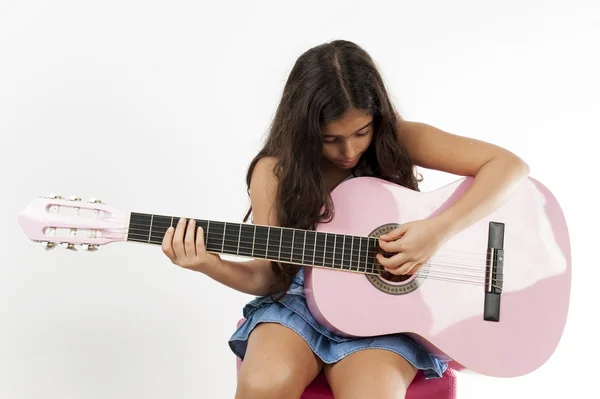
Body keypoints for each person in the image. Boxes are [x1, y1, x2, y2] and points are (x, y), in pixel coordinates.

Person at [161, 40, 530, 399]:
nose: (349, 150)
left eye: (361, 132)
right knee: (263, 386)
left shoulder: (400, 138)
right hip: (297, 305)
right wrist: (210, 264)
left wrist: (436, 232)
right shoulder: (275, 171)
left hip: (389, 313)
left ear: (377, 118)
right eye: (331, 138)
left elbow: (509, 167)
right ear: (304, 129)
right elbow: (269, 274)